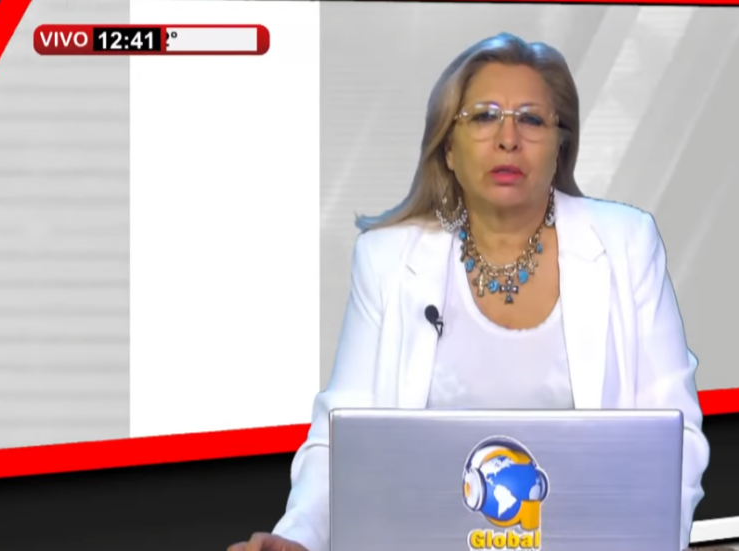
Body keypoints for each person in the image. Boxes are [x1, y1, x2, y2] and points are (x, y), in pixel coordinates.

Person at [228, 32, 709, 551]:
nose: (508, 139)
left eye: (531, 119)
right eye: (483, 116)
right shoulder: (389, 260)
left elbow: (676, 434)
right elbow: (340, 439)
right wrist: (296, 537)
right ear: (449, 148)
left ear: (561, 145)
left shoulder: (627, 244)